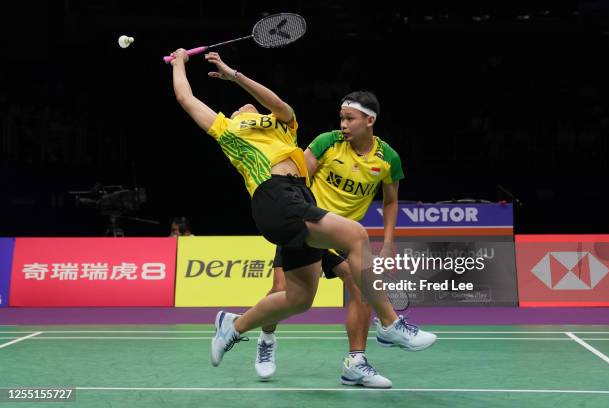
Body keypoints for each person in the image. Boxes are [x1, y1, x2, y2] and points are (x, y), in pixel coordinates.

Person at [169, 49, 436, 376]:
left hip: (297, 196)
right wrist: (180, 63)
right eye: (239, 109)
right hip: (274, 195)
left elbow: (278, 104)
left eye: (248, 105)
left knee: (299, 297)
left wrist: (234, 76)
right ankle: (391, 324)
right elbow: (186, 98)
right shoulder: (227, 130)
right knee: (357, 235)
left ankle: (233, 325)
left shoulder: (281, 126)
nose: (243, 108)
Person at [255, 91, 413, 388]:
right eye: (341, 118)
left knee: (360, 287)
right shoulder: (327, 142)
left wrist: (389, 243)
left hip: (343, 235)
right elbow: (295, 177)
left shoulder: (388, 158)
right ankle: (266, 337)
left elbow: (390, 201)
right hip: (310, 225)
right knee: (281, 291)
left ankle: (355, 363)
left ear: (370, 120)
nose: (343, 124)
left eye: (349, 118)